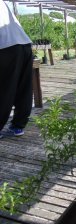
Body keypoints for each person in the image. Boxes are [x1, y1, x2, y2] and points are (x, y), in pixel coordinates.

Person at [0, 0, 33, 139]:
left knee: (4, 90)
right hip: (24, 44)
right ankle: (18, 126)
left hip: (6, 46)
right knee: (24, 88)